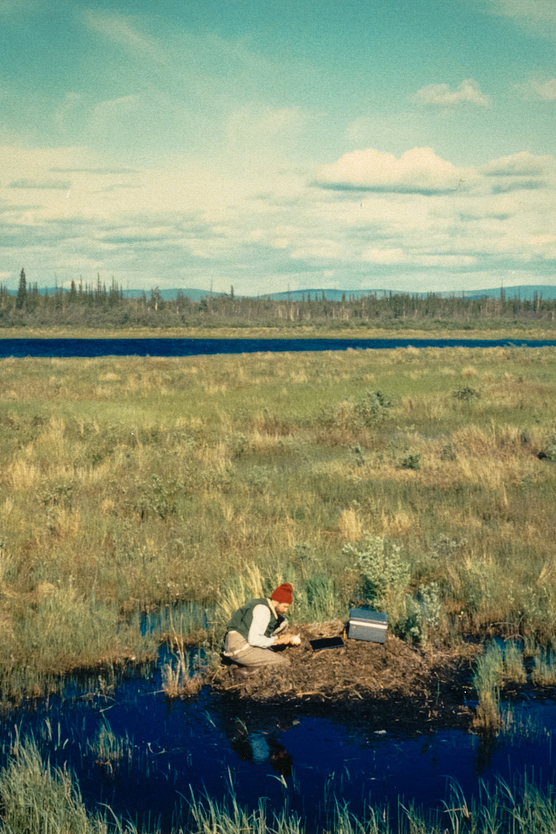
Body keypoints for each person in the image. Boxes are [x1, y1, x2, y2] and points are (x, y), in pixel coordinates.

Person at [223, 583, 301, 670]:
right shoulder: (263, 610)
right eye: (284, 607)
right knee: (284, 663)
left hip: (235, 645)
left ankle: (243, 665)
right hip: (241, 648)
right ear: (276, 601)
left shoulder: (262, 604)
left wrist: (277, 638)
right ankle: (245, 672)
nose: (286, 610)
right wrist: (278, 641)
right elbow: (254, 640)